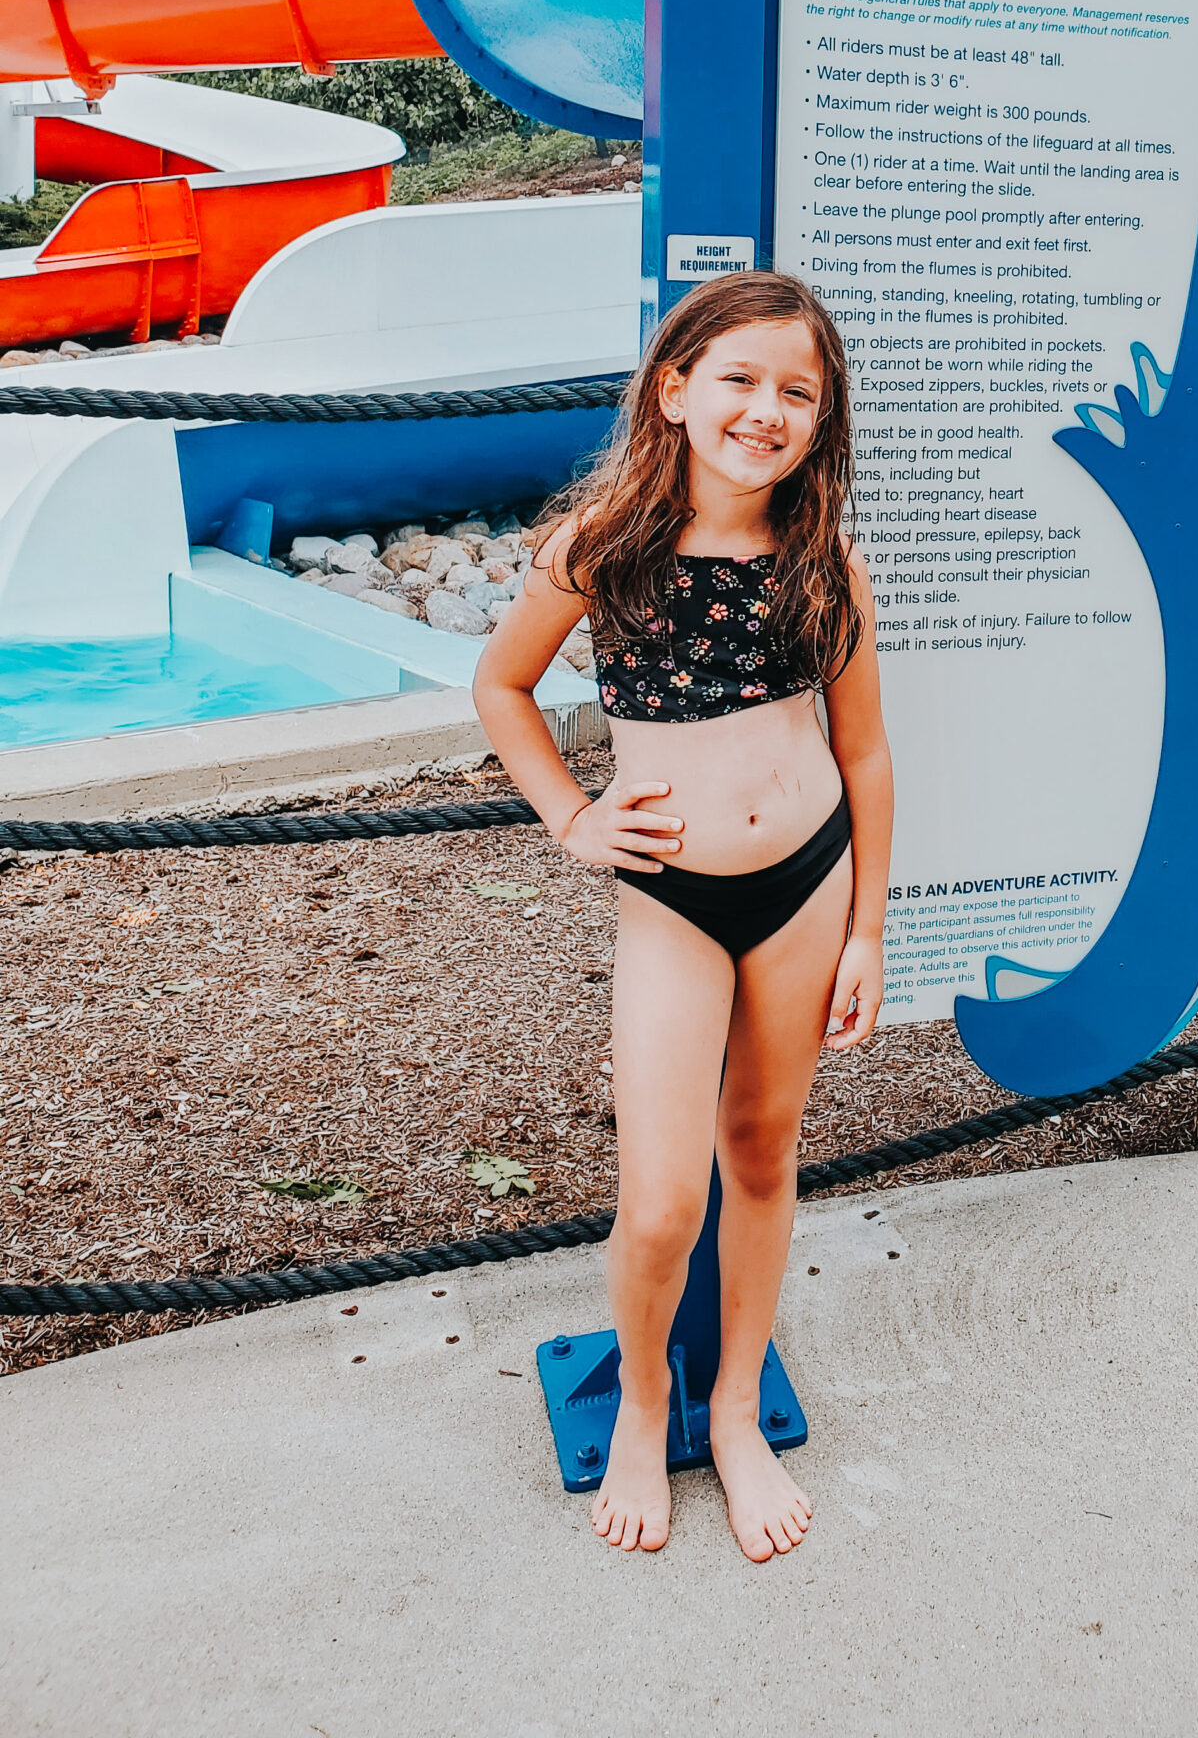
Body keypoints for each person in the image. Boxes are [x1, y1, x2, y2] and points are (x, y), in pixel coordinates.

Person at [474, 270, 892, 1562]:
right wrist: (570, 816)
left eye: (797, 392)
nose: (765, 411)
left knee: (762, 1151)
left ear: (822, 421)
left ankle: (732, 1413)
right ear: (674, 390)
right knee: (661, 1201)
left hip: (807, 884)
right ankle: (647, 1400)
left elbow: (865, 753)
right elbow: (501, 684)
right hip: (669, 898)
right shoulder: (602, 543)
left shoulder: (823, 558)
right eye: (741, 380)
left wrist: (869, 925)